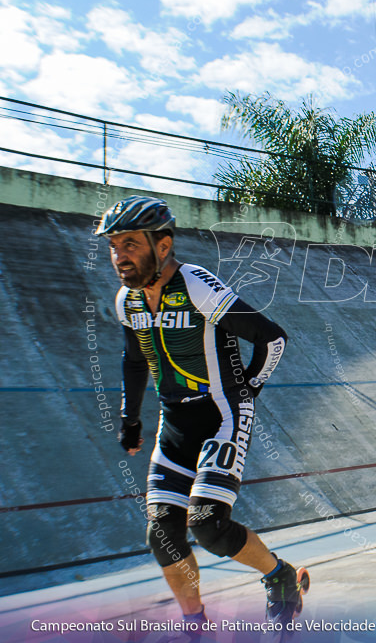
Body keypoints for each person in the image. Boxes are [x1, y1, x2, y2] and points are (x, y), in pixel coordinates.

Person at [95, 196, 304, 628]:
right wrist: (130, 420)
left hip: (221, 416)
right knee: (163, 536)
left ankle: (279, 576)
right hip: (173, 424)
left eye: (131, 244)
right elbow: (134, 362)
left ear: (164, 245)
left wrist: (248, 390)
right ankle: (196, 626)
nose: (120, 256)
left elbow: (272, 339)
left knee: (207, 524)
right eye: (114, 246)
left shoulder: (195, 285)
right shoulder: (127, 301)